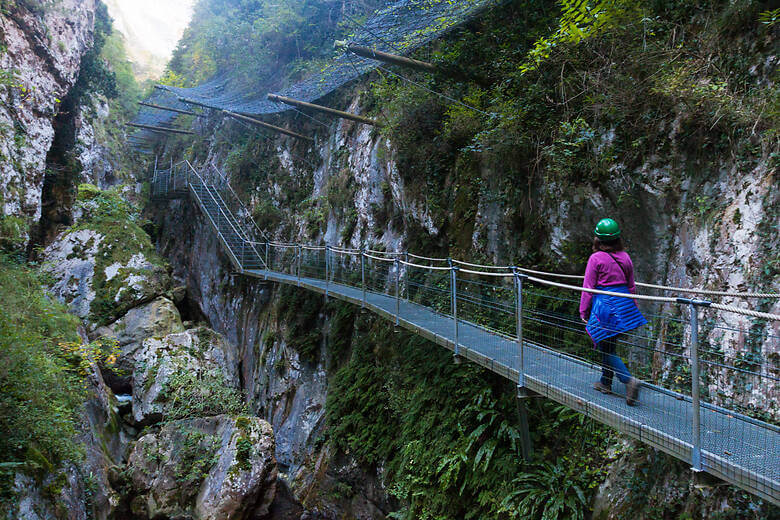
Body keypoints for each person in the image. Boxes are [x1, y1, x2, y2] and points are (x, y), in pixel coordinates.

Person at [579, 218, 646, 406]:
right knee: (608, 345)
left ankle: (628, 380)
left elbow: (589, 287)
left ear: (597, 239)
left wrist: (583, 311)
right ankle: (605, 382)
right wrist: (632, 306)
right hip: (624, 305)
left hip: (605, 307)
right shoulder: (625, 257)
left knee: (604, 345)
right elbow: (631, 285)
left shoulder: (595, 258)